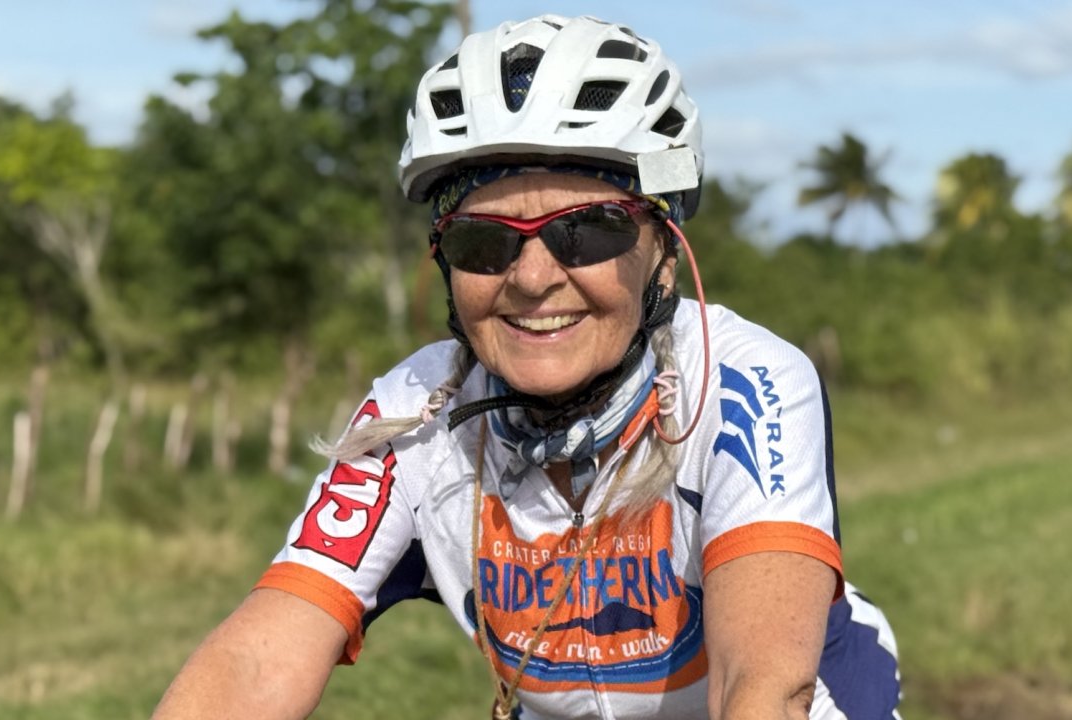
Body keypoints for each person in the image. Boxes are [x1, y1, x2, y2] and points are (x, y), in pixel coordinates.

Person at [152, 14, 902, 720]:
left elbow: (762, 685)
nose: (533, 278)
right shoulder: (414, 413)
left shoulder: (743, 383)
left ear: (663, 256)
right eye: (485, 243)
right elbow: (255, 663)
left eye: (587, 233)